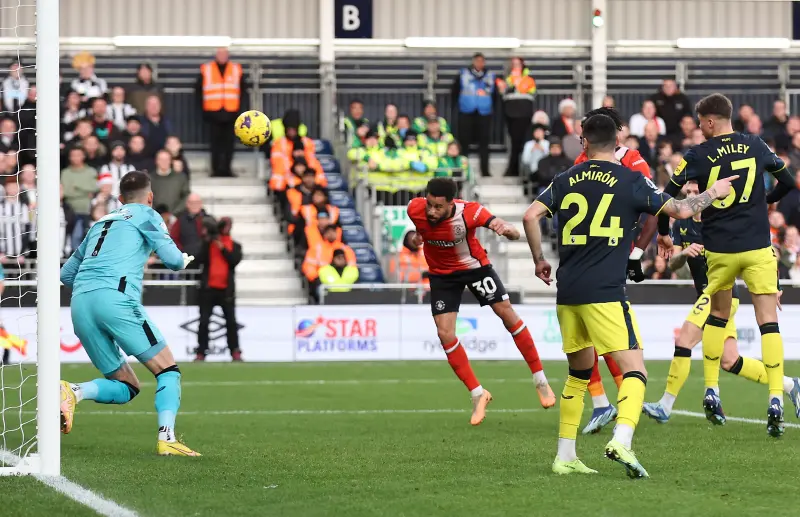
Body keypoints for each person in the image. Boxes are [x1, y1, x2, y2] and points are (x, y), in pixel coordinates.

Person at [522, 111, 735, 477]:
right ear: (617, 141)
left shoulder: (565, 177)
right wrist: (714, 192)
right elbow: (681, 209)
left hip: (567, 290)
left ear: (584, 142)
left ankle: (565, 456)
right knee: (635, 370)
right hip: (605, 290)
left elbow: (529, 216)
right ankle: (621, 440)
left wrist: (540, 259)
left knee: (578, 374)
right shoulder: (630, 179)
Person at [658, 93, 799, 437]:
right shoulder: (756, 144)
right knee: (768, 323)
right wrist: (764, 200)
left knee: (717, 317)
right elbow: (789, 181)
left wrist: (663, 233)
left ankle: (711, 389)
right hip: (757, 247)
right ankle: (776, 398)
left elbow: (667, 196)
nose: (699, 129)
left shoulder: (697, 154)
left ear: (710, 121)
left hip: (720, 250)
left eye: (700, 123)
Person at [58, 170, 200, 456]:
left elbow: (66, 274)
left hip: (80, 304)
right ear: (150, 197)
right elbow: (173, 261)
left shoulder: (100, 222)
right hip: (116, 300)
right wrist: (181, 260)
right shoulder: (147, 215)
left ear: (120, 199)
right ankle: (167, 439)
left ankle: (74, 391)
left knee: (126, 386)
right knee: (168, 371)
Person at [643, 180, 800, 423]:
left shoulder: (720, 221)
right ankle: (790, 384)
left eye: (697, 191)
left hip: (723, 294)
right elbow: (672, 263)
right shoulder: (682, 224)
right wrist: (683, 254)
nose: (692, 195)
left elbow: (763, 251)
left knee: (684, 340)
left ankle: (665, 405)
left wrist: (775, 285)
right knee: (730, 360)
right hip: (706, 297)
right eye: (689, 191)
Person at [406, 177, 555, 426]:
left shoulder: (470, 212)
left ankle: (540, 380)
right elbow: (419, 230)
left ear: (452, 203)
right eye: (429, 204)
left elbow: (508, 229)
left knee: (507, 315)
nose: (431, 211)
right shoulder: (414, 208)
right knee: (444, 334)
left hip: (474, 269)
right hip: (442, 276)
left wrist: (507, 230)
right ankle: (478, 393)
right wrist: (415, 238)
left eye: (438, 207)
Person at [570, 106, 656, 436]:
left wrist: (638, 252)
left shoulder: (633, 161)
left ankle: (616, 399)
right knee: (591, 331)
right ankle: (612, 400)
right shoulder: (580, 163)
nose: (583, 139)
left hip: (612, 254)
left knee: (600, 330)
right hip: (587, 253)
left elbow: (656, 207)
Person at [194, 216, 243, 362]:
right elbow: (199, 258)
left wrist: (223, 249)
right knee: (204, 321)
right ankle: (201, 351)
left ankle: (235, 351)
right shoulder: (209, 244)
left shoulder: (235, 245)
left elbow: (234, 260)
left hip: (226, 290)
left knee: (231, 322)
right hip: (208, 289)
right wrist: (207, 240)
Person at [197, 48, 246, 177]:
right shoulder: (207, 69)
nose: (222, 57)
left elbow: (243, 91)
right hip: (213, 113)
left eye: (224, 54)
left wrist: (240, 111)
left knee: (229, 144)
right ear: (216, 56)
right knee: (215, 144)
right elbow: (198, 91)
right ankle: (216, 169)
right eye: (220, 54)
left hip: (231, 113)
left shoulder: (236, 69)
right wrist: (203, 111)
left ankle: (227, 169)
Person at [452, 53, 495, 177]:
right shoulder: (463, 74)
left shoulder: (490, 75)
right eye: (477, 61)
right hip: (466, 111)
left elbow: (495, 94)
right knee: (463, 141)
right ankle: (462, 169)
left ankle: (485, 170)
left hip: (484, 112)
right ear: (473, 62)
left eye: (481, 61)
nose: (479, 63)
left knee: (484, 142)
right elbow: (455, 91)